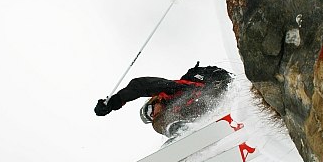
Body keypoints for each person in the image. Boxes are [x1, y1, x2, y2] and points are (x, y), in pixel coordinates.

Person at [94, 62, 233, 137]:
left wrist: (115, 100)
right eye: (150, 117)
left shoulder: (169, 91)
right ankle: (190, 139)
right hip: (219, 104)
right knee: (177, 119)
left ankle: (179, 133)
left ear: (154, 100)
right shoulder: (177, 112)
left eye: (150, 111)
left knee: (161, 123)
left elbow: (141, 85)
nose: (153, 115)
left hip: (214, 86)